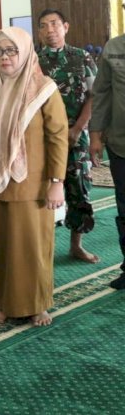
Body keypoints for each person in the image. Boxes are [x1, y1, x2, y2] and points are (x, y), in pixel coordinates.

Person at [0, 27, 68, 326]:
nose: (5, 57)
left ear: (24, 52)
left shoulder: (43, 88)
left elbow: (58, 138)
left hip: (33, 183)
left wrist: (56, 182)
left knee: (32, 246)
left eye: (12, 51)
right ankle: (3, 303)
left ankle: (38, 305)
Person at [37, 8, 98, 263]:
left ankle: (76, 244)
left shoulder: (82, 58)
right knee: (40, 190)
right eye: (44, 26)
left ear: (66, 27)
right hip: (41, 138)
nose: (50, 30)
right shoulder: (32, 61)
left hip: (76, 135)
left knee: (79, 188)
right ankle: (42, 248)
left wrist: (77, 129)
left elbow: (95, 96)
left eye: (54, 24)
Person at [90, 33, 125, 289]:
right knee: (124, 210)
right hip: (120, 145)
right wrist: (95, 135)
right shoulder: (113, 48)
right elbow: (101, 93)